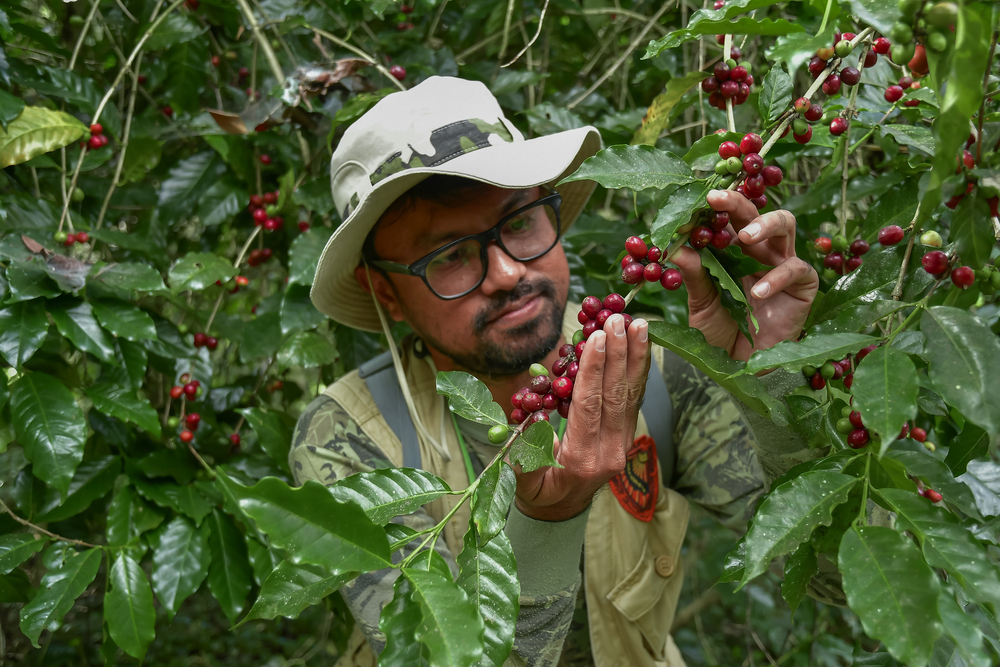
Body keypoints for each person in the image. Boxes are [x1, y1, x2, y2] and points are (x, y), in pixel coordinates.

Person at [293, 76, 829, 667]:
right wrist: (550, 519)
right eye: (448, 256)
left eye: (520, 223)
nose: (504, 273)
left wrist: (771, 376)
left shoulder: (651, 366)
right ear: (385, 294)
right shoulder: (350, 438)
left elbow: (833, 575)